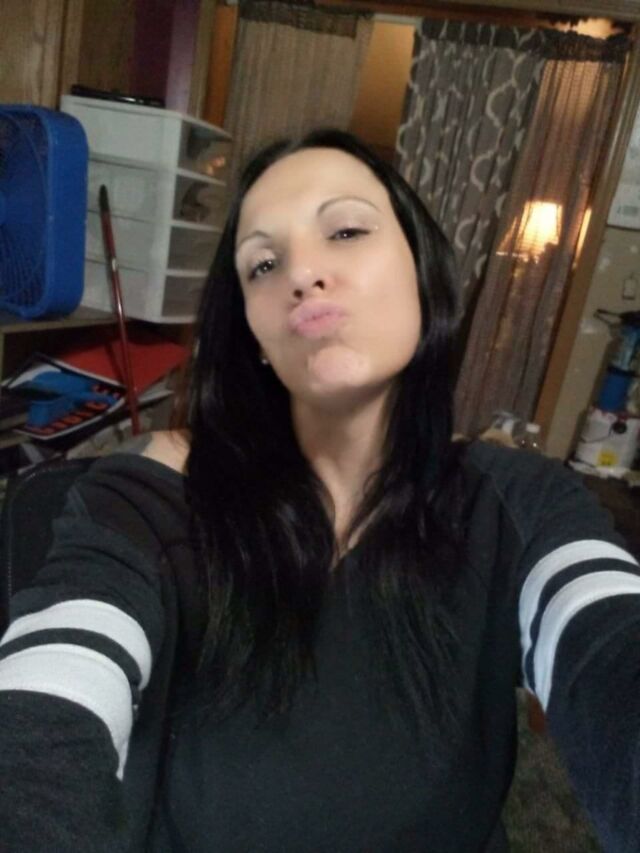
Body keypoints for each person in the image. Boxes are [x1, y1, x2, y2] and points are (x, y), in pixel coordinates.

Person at [0, 129, 639, 852]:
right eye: (263, 264)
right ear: (254, 335)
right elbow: (51, 699)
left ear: (424, 274)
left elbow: (608, 642)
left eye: (345, 230)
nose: (302, 273)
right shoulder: (156, 491)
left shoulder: (520, 500)